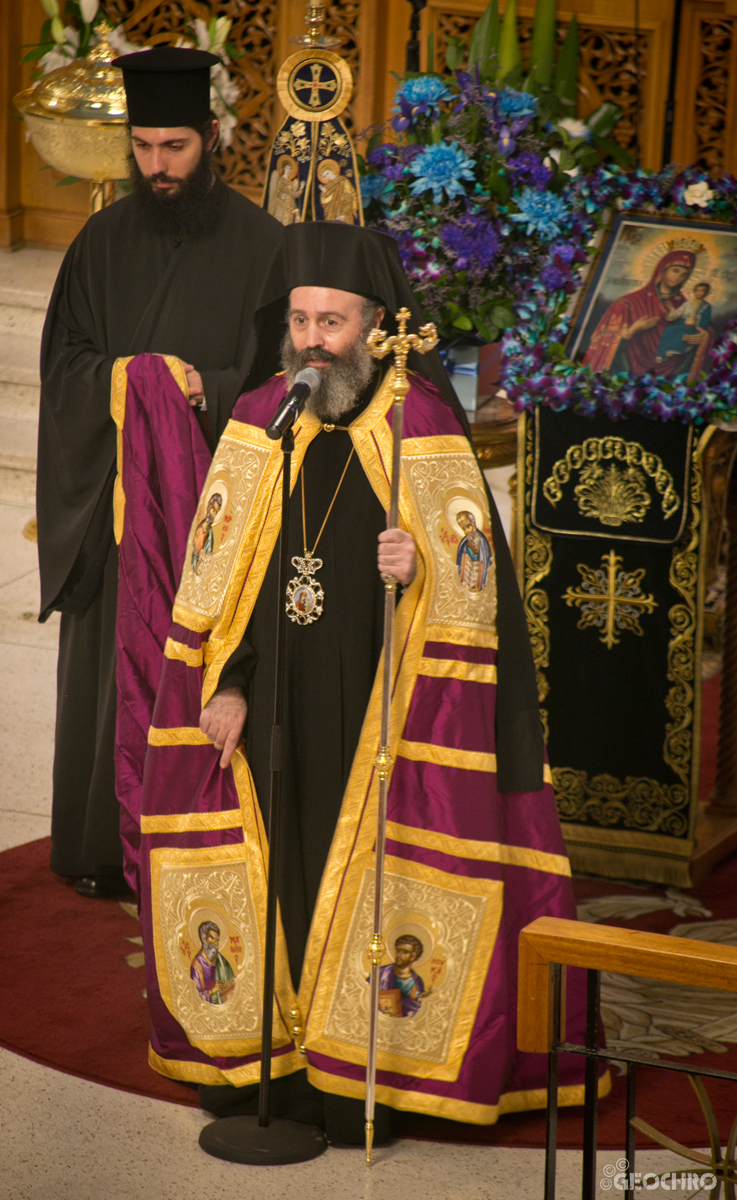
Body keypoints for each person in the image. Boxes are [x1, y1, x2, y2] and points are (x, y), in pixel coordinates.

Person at [131, 222, 602, 1144]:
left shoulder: (420, 421)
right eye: (301, 320)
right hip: (275, 703)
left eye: (333, 323)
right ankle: (277, 1055)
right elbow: (221, 576)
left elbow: (478, 590)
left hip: (384, 710)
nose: (312, 341)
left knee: (366, 878)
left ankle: (359, 1074)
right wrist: (226, 681)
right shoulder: (263, 417)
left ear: (376, 323)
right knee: (286, 866)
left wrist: (415, 565)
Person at [36, 46, 284, 898]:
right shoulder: (101, 241)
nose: (156, 165)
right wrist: (128, 383)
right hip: (119, 508)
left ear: (211, 137)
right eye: (143, 147)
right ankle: (103, 847)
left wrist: (201, 389)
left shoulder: (263, 246)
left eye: (173, 146)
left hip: (212, 507)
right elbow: (65, 361)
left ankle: (209, 839)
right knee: (110, 666)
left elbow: (278, 378)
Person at [584, 248, 714, 382]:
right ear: (662, 270)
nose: (679, 277)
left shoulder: (688, 305)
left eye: (685, 274)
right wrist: (631, 331)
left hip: (673, 378)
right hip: (626, 374)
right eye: (675, 270)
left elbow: (708, 331)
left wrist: (703, 337)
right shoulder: (627, 304)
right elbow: (599, 341)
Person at [656, 281, 713, 363]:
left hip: (693, 326)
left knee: (681, 333)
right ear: (694, 291)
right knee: (668, 330)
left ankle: (673, 350)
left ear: (706, 292)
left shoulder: (706, 306)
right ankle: (661, 354)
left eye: (702, 291)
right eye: (697, 290)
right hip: (681, 322)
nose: (699, 293)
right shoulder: (687, 304)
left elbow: (705, 318)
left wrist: (697, 318)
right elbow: (677, 313)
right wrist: (672, 309)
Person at [378, 935, 427, 1018]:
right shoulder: (381, 973)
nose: (399, 955)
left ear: (413, 956)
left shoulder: (417, 982)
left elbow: (416, 1009)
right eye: (398, 951)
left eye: (405, 952)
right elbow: (367, 995)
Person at [190, 922, 236, 1005]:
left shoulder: (222, 961)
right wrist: (213, 990)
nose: (215, 943)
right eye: (212, 938)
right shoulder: (197, 966)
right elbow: (194, 997)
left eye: (217, 939)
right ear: (203, 938)